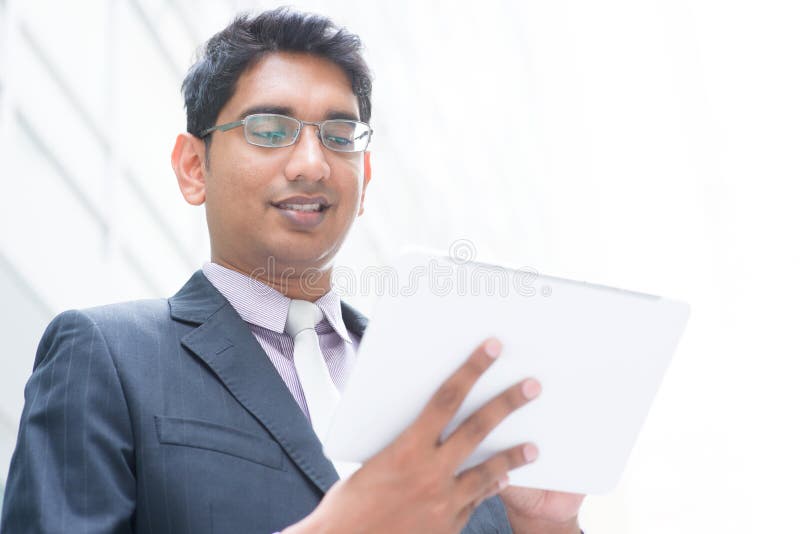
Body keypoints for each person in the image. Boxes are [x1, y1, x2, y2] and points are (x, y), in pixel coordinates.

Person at [1, 8, 584, 533]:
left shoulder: (445, 389)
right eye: (270, 130)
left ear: (365, 182)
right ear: (192, 167)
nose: (312, 164)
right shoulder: (107, 355)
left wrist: (542, 528)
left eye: (339, 136)